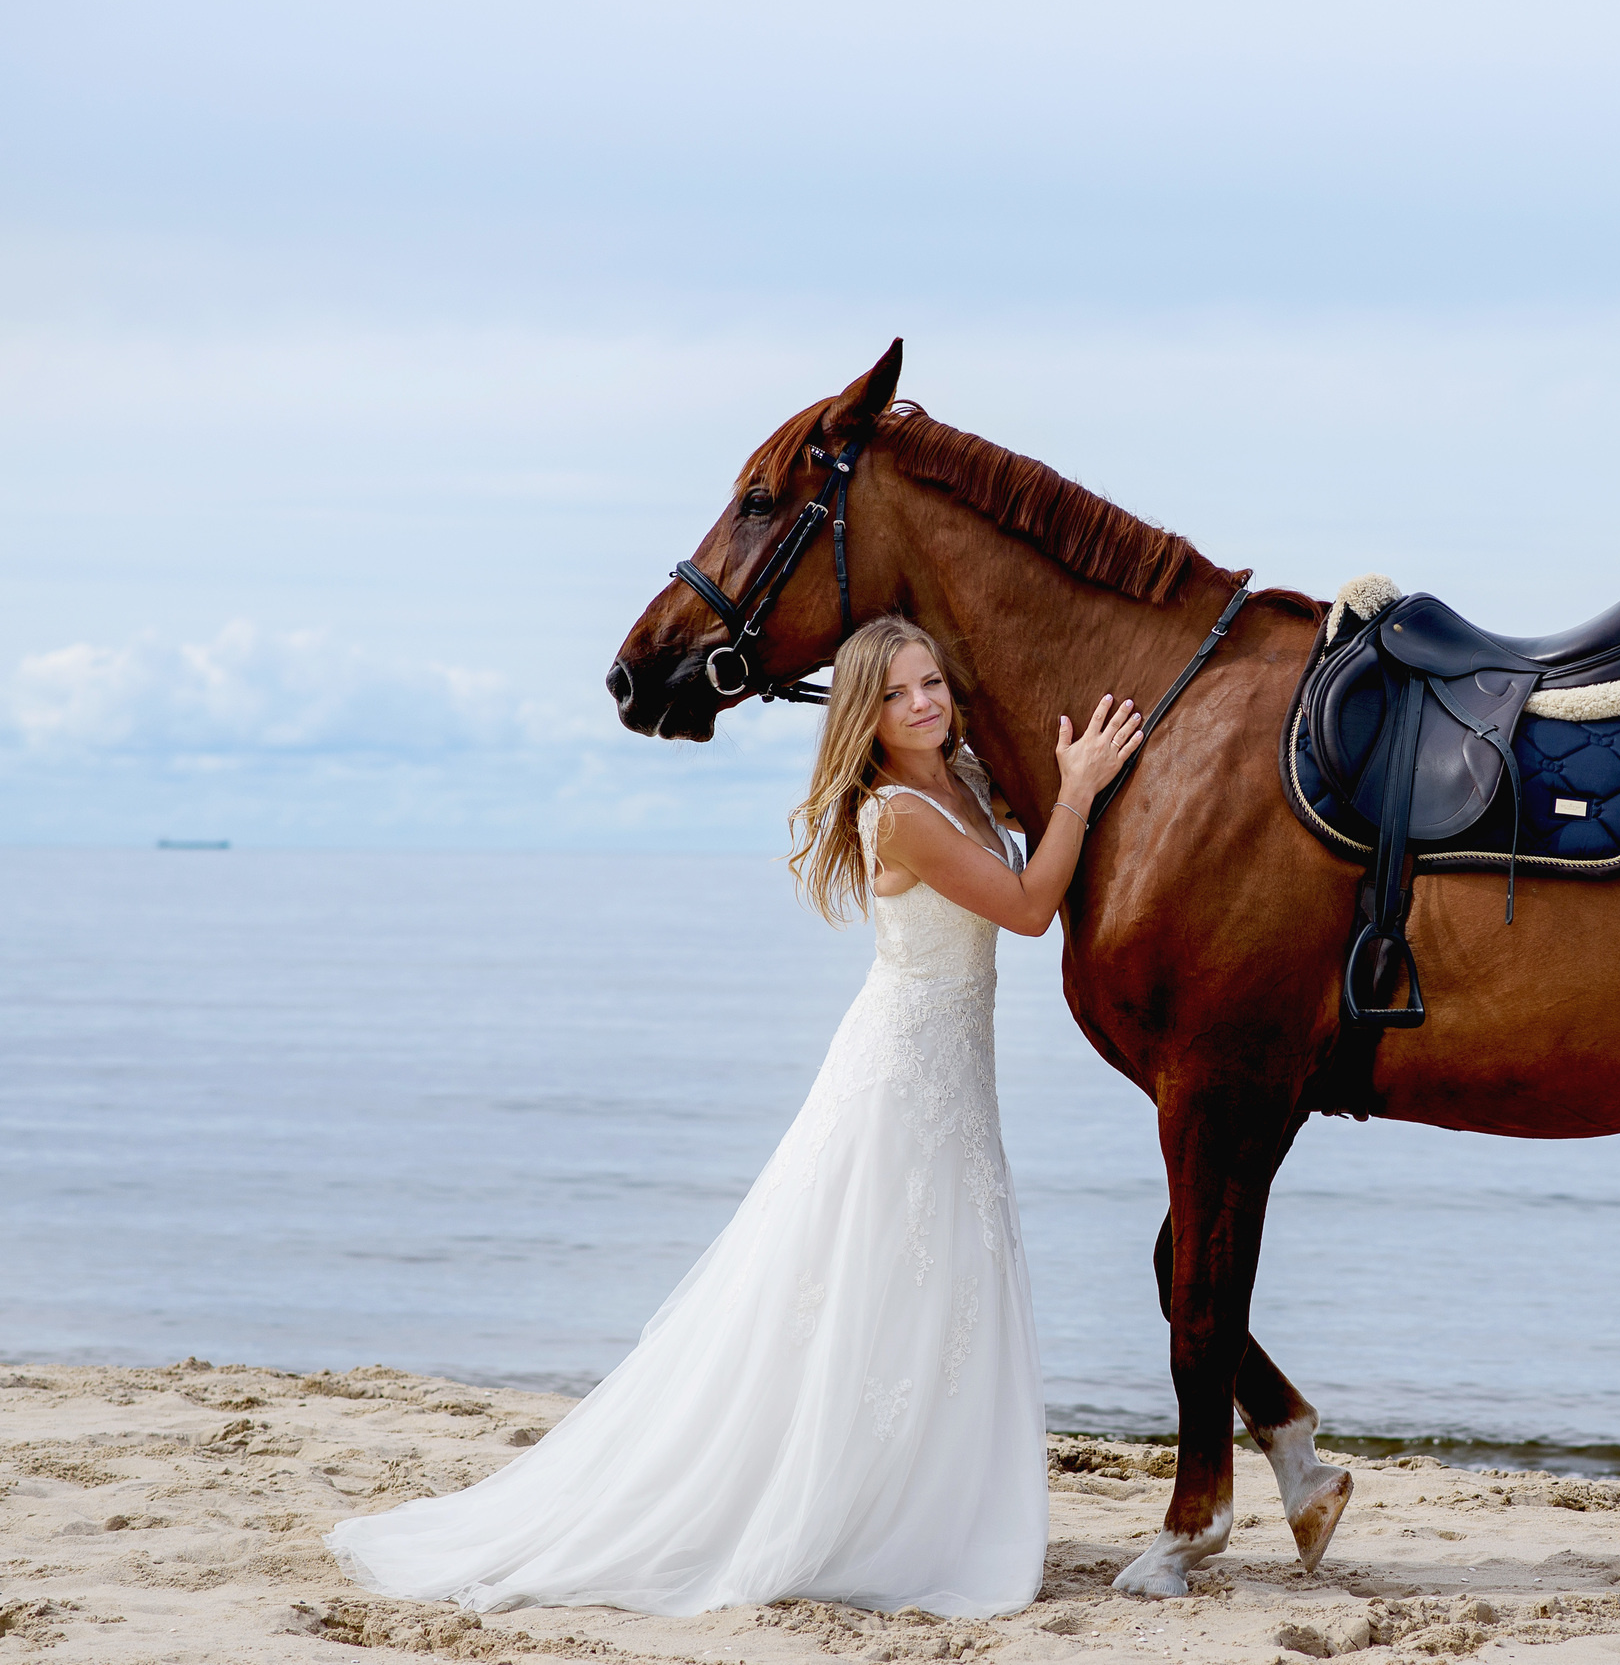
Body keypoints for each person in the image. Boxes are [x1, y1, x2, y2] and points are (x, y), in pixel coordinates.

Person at [327, 615, 1143, 1617]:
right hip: (902, 1074)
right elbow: (1025, 907)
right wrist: (1077, 791)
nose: (922, 703)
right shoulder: (899, 813)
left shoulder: (961, 778)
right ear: (864, 716)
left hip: (953, 1071)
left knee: (934, 1280)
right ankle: (849, 1507)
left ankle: (919, 1496)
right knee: (873, 1276)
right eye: (895, 694)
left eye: (930, 681)